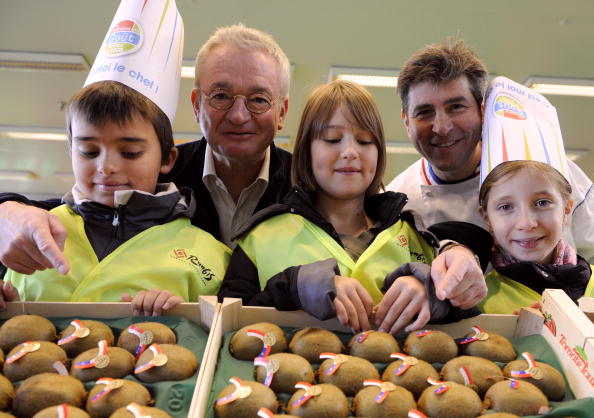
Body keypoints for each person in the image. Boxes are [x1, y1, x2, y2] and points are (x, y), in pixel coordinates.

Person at [0, 26, 483, 310]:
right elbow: (81, 211)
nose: (237, 114)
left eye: (257, 99)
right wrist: (9, 209)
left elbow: (409, 231)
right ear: (196, 103)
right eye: (221, 95)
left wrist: (453, 255)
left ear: (281, 112)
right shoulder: (153, 174)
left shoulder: (310, 187)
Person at [219, 80, 482, 334]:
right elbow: (225, 322)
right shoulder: (259, 238)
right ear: (305, 151)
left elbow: (471, 314)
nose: (350, 152)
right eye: (332, 139)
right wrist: (296, 286)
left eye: (365, 141)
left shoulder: (416, 236)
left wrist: (431, 293)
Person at [1, 81, 231, 314]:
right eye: (89, 152)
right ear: (71, 151)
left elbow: (218, 336)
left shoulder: (209, 255)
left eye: (130, 153)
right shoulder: (26, 230)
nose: (106, 167)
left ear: (167, 159)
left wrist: (180, 321)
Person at [386, 39, 594, 262]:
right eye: (424, 112)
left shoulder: (547, 169)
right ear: (406, 122)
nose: (442, 127)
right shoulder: (397, 204)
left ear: (482, 111)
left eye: (456, 107)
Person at [477, 160, 593, 314]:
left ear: (566, 210)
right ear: (487, 219)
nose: (526, 223)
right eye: (505, 207)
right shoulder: (477, 298)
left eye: (542, 203)